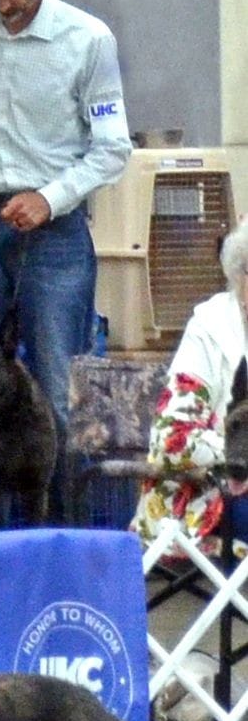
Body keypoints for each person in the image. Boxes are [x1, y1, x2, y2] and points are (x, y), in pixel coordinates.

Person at [0, 0, 133, 499]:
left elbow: (113, 147)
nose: (5, 6)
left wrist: (48, 197)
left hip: (55, 233)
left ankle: (61, 534)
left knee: (57, 386)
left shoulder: (89, 40)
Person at [132, 221, 248, 558]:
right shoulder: (210, 328)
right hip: (211, 491)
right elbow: (173, 439)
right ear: (238, 275)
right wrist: (236, 457)